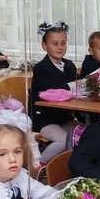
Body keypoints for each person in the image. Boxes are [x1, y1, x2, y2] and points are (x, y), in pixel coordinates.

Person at [30, 21, 82, 164]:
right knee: (64, 140)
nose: (60, 47)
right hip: (44, 119)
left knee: (84, 133)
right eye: (55, 43)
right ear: (44, 46)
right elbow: (55, 90)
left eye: (63, 43)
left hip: (64, 117)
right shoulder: (41, 68)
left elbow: (79, 86)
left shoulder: (69, 65)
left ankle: (70, 167)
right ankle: (39, 166)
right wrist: (74, 85)